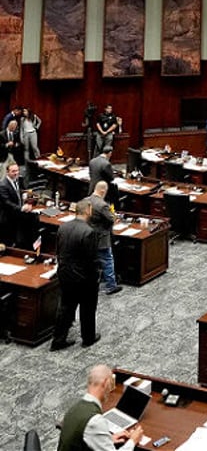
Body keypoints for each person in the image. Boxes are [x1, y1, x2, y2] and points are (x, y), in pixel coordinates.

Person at [56, 364, 144, 451]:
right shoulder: (95, 421)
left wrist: (107, 440)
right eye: (111, 383)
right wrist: (133, 440)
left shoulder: (74, 409)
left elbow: (85, 438)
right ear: (105, 383)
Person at [51, 198, 100, 350]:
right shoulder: (89, 232)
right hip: (84, 278)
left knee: (65, 308)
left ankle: (58, 340)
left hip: (65, 274)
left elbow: (58, 251)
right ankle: (88, 338)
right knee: (87, 308)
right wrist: (96, 276)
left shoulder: (63, 227)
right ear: (87, 211)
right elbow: (91, 259)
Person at [90, 180, 121, 295]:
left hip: (89, 237)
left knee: (92, 261)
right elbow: (112, 219)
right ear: (103, 191)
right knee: (107, 260)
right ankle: (111, 286)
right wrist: (115, 217)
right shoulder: (102, 205)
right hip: (102, 238)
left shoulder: (85, 201)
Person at [0, 162, 35, 248]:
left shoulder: (18, 179)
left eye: (17, 170)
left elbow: (22, 190)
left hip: (18, 213)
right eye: (13, 171)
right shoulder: (3, 185)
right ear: (7, 172)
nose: (16, 173)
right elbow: (7, 203)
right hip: (8, 217)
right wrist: (21, 208)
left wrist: (27, 197)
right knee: (10, 241)